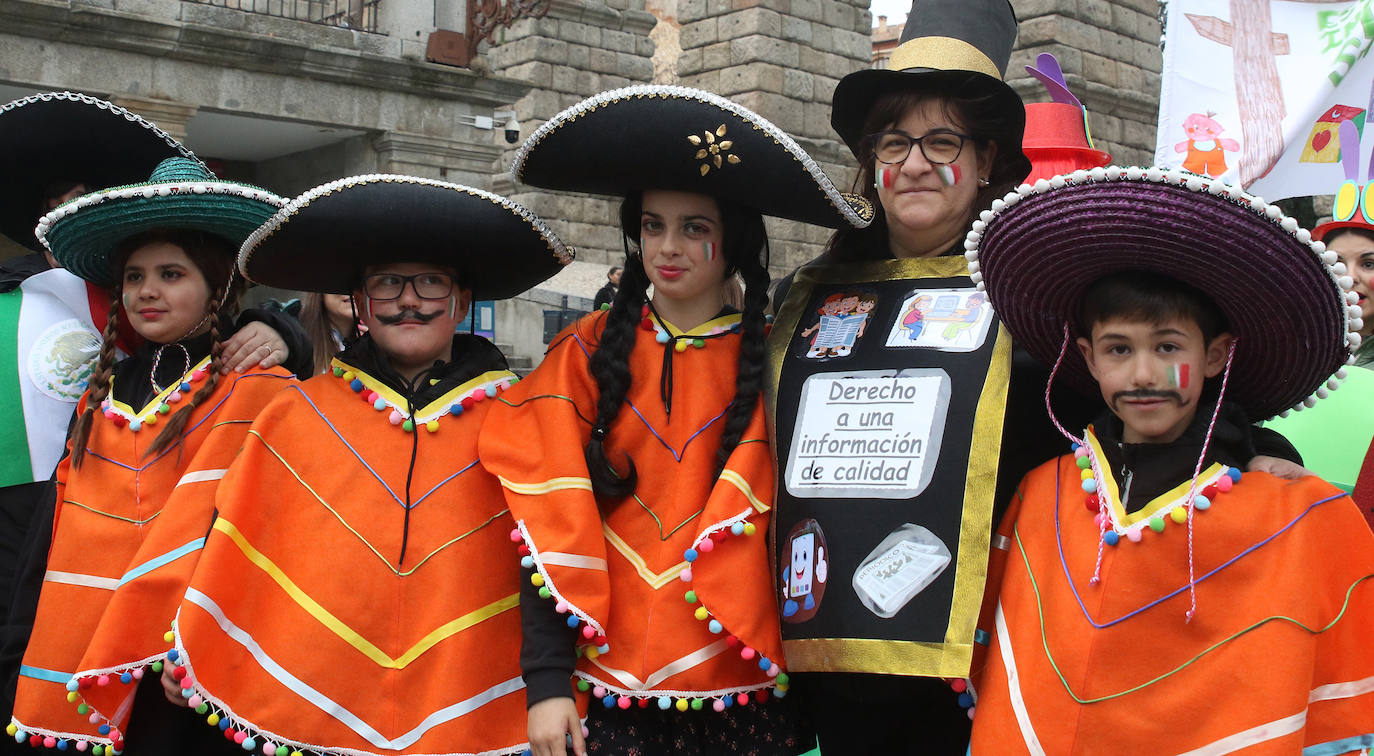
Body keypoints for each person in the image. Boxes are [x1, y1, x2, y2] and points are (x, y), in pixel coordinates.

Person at [763, 2, 1304, 753]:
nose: (914, 162)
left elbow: (1146, 402)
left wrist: (1253, 445)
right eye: (894, 142)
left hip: (987, 660)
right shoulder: (801, 300)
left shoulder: (1031, 300)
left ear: (986, 161)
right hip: (828, 657)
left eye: (941, 140)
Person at [480, 85, 871, 756]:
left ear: (735, 241)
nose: (669, 246)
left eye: (695, 227)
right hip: (605, 686)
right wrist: (546, 683)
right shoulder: (581, 353)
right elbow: (541, 526)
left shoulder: (787, 356)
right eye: (653, 225)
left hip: (746, 688)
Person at [965, 165, 1374, 753]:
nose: (1142, 375)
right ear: (1088, 358)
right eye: (1118, 349)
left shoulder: (1292, 510)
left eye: (1167, 347)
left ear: (1214, 356)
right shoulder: (1044, 495)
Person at [163, 175, 571, 756]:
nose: (409, 300)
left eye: (431, 283)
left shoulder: (521, 416)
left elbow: (551, 558)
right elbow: (233, 540)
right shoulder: (295, 414)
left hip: (481, 684)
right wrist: (195, 642)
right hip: (314, 693)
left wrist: (552, 683)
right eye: (387, 284)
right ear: (359, 302)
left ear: (461, 300)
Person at [7, 157, 295, 753]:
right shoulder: (104, 394)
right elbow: (52, 533)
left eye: (170, 273)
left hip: (189, 675)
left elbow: (277, 545)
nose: (147, 292)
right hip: (81, 656)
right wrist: (17, 642)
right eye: (134, 276)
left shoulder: (267, 392)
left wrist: (289, 332)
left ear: (220, 284)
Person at [300, 292, 364, 374]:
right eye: (340, 281)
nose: (350, 290)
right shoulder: (297, 338)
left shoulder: (378, 341)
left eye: (358, 282)